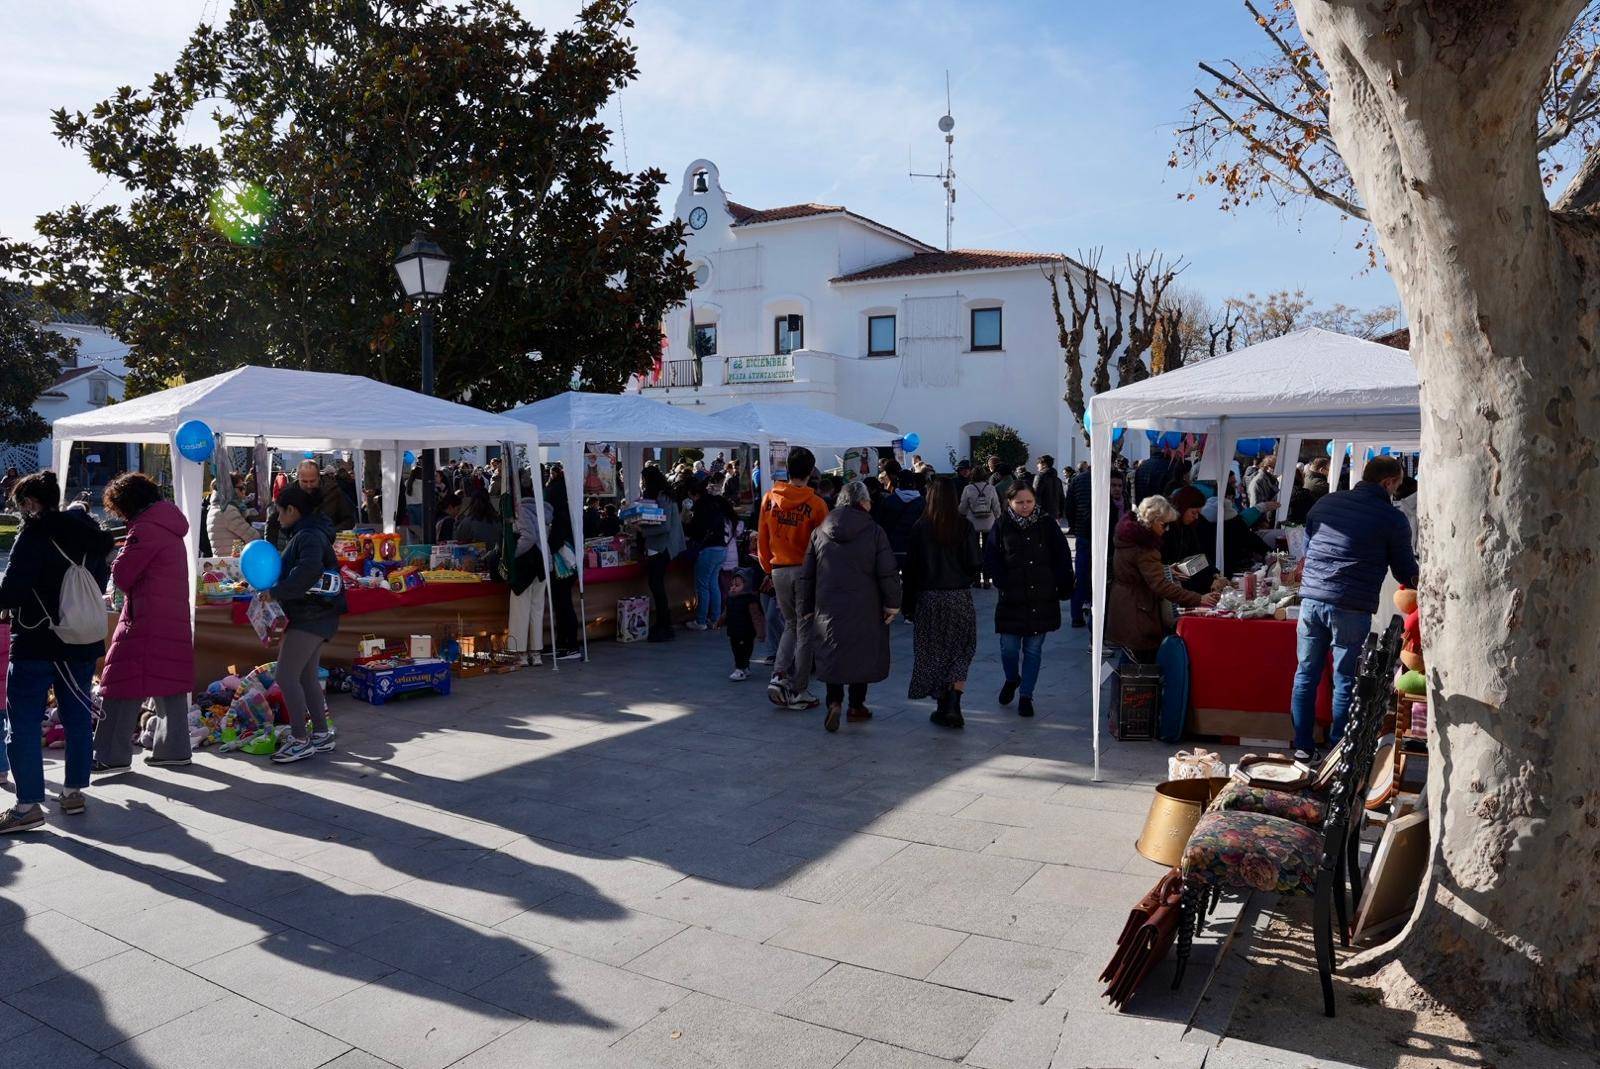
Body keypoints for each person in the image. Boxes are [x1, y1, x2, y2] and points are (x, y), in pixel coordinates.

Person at [0, 472, 113, 831]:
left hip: (36, 641)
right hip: (81, 640)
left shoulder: (32, 536)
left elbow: (12, 592)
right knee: (77, 717)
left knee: (24, 723)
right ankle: (74, 792)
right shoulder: (90, 536)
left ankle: (28, 803)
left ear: (32, 503)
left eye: (20, 504)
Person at [1290, 455, 1419, 760]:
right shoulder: (1391, 517)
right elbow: (1404, 571)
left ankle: (1302, 747)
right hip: (1350, 603)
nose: (1396, 491)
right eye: (1397, 485)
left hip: (1312, 599)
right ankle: (1337, 749)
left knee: (1306, 673)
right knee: (1345, 677)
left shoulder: (1326, 503)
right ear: (1388, 482)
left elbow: (1309, 548)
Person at [92, 473, 195, 773]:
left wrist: (118, 555)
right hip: (170, 615)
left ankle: (110, 754)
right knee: (170, 682)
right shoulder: (169, 525)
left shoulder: (145, 530)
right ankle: (174, 749)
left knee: (120, 684)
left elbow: (123, 576)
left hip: (145, 617)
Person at [797, 480, 902, 733]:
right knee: (861, 653)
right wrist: (893, 604)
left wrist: (805, 606)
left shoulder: (820, 530)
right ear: (862, 502)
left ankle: (834, 702)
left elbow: (807, 573)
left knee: (832, 650)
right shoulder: (874, 530)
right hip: (865, 603)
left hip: (828, 603)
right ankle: (857, 706)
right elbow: (887, 571)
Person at [263, 484, 347, 764]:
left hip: (310, 615)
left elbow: (308, 571)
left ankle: (300, 739)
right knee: (306, 676)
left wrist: (276, 591)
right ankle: (321, 733)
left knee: (286, 676)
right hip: (316, 614)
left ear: (293, 510)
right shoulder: (309, 532)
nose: (277, 517)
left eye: (279, 511)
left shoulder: (308, 535)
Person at [986, 481, 1073, 718]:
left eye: (1029, 501)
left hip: (1041, 597)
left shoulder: (1046, 524)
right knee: (1009, 648)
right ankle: (1012, 678)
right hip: (1012, 597)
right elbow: (992, 556)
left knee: (1033, 650)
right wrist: (1001, 580)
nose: (1025, 507)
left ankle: (1026, 695)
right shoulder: (1002, 525)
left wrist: (1064, 585)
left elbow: (1062, 556)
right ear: (1009, 503)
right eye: (1020, 502)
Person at [903, 476, 982, 729]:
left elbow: (911, 570)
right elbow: (974, 564)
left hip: (929, 598)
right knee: (961, 650)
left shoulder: (920, 528)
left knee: (932, 651)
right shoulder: (964, 527)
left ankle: (942, 703)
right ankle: (954, 703)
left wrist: (908, 604)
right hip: (958, 596)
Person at [756, 445, 828, 708]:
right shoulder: (817, 505)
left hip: (778, 569)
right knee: (805, 628)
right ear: (811, 471)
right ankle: (799, 687)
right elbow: (824, 544)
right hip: (805, 571)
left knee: (790, 624)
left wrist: (767, 566)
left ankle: (778, 674)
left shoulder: (769, 498)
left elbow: (762, 538)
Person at [1106, 495, 1217, 660]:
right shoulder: (1144, 547)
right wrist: (1198, 599)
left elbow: (1135, 570)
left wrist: (1164, 569)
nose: (1166, 530)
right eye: (1164, 525)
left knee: (1129, 661)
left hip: (1124, 604)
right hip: (1138, 609)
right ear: (1153, 520)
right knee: (1139, 663)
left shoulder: (1129, 537)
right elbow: (1160, 585)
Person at [637, 466, 685, 642]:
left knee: (656, 586)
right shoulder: (664, 496)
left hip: (661, 547)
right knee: (656, 585)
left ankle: (664, 624)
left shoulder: (662, 497)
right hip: (660, 547)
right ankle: (663, 623)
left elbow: (664, 526)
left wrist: (643, 530)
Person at [506, 473, 549, 666]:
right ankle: (536, 652)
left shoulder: (520, 510)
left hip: (526, 565)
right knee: (537, 609)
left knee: (520, 609)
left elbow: (528, 536)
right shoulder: (543, 509)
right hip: (543, 563)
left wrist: (514, 554)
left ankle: (521, 653)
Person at [543, 467, 582, 658]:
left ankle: (570, 644)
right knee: (562, 603)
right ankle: (564, 642)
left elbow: (556, 540)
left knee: (563, 603)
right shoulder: (570, 510)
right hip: (569, 564)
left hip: (562, 565)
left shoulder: (558, 515)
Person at [267, 460, 355, 543]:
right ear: (298, 477)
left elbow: (349, 519)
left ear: (319, 477)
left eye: (312, 481)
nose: (309, 485)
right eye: (304, 481)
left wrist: (330, 532)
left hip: (329, 542)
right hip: (297, 542)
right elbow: (273, 520)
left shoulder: (334, 491)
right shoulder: (289, 494)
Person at [685, 481, 734, 631]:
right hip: (721, 548)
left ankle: (701, 621)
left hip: (708, 550)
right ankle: (715, 618)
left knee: (703, 586)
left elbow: (695, 530)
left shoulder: (700, 507)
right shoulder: (715, 505)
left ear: (695, 494)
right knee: (713, 584)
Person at [958, 467, 1002, 587]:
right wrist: (998, 519)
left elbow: (962, 507)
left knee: (974, 551)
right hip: (989, 522)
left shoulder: (968, 488)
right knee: (988, 551)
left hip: (972, 523)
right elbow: (996, 506)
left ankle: (976, 578)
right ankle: (987, 579)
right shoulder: (991, 488)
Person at [875, 468, 925, 571]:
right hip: (916, 548)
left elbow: (880, 524)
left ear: (898, 483)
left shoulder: (889, 501)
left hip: (893, 547)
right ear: (913, 484)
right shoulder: (923, 503)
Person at [722, 567, 765, 681]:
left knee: (744, 649)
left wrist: (760, 632)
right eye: (732, 585)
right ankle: (744, 666)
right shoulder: (730, 598)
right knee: (736, 649)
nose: (733, 588)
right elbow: (726, 612)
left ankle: (740, 668)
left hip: (746, 632)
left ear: (746, 586)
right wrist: (719, 621)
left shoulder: (750, 600)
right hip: (733, 630)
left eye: (737, 585)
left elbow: (756, 616)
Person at [207, 474, 259, 557]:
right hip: (233, 564)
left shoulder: (216, 507)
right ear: (230, 490)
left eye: (244, 487)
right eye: (241, 488)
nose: (244, 491)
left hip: (224, 562)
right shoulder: (227, 510)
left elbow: (236, 539)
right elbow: (253, 537)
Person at [1289, 456, 1331, 524]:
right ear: (1322, 470)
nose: (1331, 472)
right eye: (1330, 470)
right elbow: (1335, 491)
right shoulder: (1319, 484)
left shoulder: (1307, 476)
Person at [1032, 454, 1065, 522]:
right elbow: (1062, 497)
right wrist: (1061, 513)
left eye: (1038, 463)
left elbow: (1035, 495)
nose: (1037, 466)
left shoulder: (1039, 477)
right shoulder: (1057, 480)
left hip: (1042, 513)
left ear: (1044, 464)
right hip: (1055, 513)